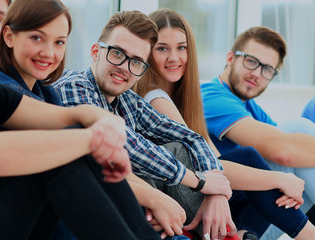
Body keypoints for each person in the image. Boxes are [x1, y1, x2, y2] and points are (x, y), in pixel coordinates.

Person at [0, 2, 190, 240]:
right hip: (27, 221)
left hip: (52, 216)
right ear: (9, 36)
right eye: (36, 38)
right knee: (67, 149)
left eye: (59, 42)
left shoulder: (46, 94)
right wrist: (153, 198)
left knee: (78, 144)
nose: (49, 52)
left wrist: (100, 128)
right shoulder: (7, 91)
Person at [53, 9, 239, 240]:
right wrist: (200, 182)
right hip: (92, 212)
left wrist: (216, 193)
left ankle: (224, 235)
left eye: (136, 62)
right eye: (118, 54)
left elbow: (192, 137)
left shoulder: (129, 100)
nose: (124, 67)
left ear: (142, 72)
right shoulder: (74, 87)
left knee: (179, 148)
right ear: (95, 52)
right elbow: (129, 145)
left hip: (136, 207)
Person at [133, 8, 315, 240]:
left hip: (211, 196)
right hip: (183, 197)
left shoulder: (187, 100)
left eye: (181, 48)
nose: (174, 57)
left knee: (285, 161)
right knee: (272, 149)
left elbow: (212, 161)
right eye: (162, 48)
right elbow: (282, 150)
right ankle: (308, 233)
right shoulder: (158, 97)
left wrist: (219, 191)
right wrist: (280, 179)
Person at [201, 26, 315, 238]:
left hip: (256, 217)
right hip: (223, 216)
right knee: (296, 129)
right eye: (251, 61)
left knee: (299, 139)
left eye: (267, 69)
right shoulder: (209, 96)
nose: (256, 74)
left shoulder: (250, 107)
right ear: (230, 58)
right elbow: (282, 151)